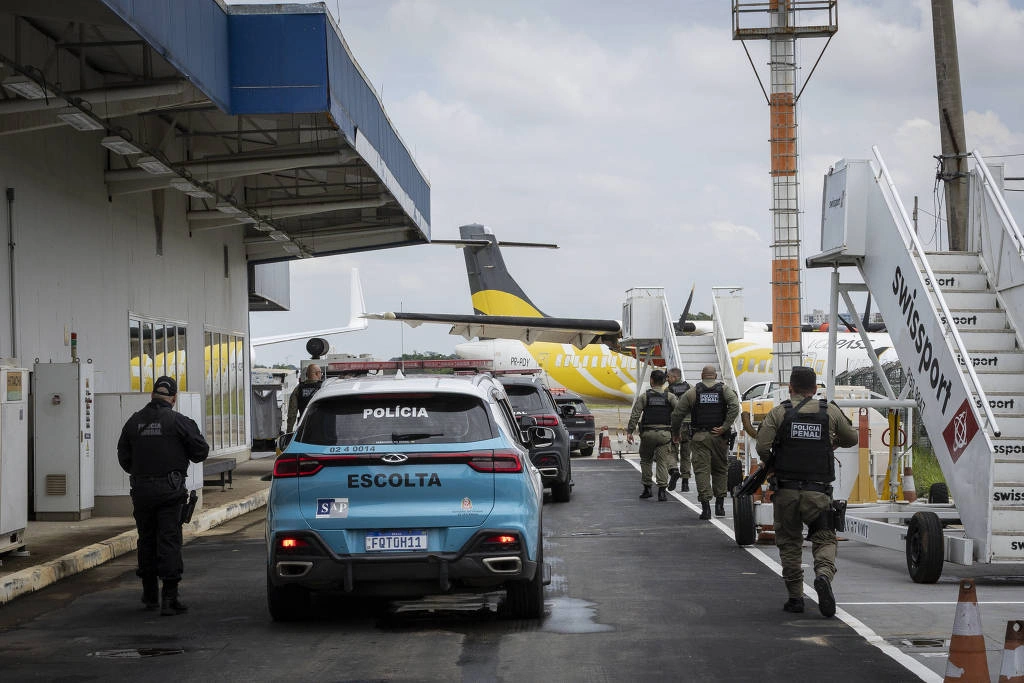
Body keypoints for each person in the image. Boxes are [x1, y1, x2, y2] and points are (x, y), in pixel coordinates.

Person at [755, 366, 858, 617]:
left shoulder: (779, 412)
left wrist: (775, 464)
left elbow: (762, 446)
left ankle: (795, 598)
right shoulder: (829, 411)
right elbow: (852, 438)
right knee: (824, 538)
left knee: (789, 544)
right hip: (818, 492)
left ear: (790, 387)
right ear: (815, 389)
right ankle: (823, 574)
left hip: (787, 491)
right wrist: (832, 442)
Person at [117, 376, 209, 616]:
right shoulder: (178, 421)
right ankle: (169, 598)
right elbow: (201, 452)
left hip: (141, 490)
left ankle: (149, 595)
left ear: (151, 396)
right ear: (174, 399)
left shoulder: (134, 421)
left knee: (146, 539)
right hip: (169, 490)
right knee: (168, 540)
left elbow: (124, 458)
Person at [671, 365, 739, 520]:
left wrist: (675, 433)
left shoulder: (693, 392)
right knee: (720, 470)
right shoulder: (724, 390)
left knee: (702, 471)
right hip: (719, 437)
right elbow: (735, 406)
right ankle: (720, 506)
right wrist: (725, 426)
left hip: (700, 437)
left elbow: (677, 414)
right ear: (715, 376)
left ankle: (706, 508)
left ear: (702, 376)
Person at [626, 369, 679, 502]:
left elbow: (635, 414)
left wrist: (630, 431)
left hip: (648, 434)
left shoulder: (645, 396)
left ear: (651, 380)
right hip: (664, 434)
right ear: (664, 381)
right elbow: (679, 413)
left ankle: (647, 489)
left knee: (646, 460)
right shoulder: (670, 397)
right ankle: (662, 492)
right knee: (662, 461)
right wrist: (677, 432)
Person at [665, 367, 691, 492]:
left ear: (675, 377)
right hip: (688, 425)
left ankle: (674, 470)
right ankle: (685, 483)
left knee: (671, 451)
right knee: (686, 454)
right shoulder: (691, 388)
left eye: (669, 377)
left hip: (674, 425)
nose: (667, 379)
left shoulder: (668, 391)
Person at [286, 363, 322, 432]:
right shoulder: (323, 387)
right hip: (321, 429)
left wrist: (288, 432)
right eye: (320, 373)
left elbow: (292, 413)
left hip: (304, 429)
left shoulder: (298, 388)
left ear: (306, 375)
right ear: (317, 374)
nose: (321, 375)